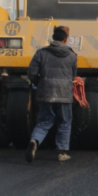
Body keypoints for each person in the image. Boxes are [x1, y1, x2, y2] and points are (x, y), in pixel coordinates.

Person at [26, 26, 78, 163]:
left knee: (44, 121)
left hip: (46, 92)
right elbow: (74, 76)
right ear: (65, 40)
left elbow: (31, 73)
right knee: (65, 122)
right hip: (65, 93)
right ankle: (62, 152)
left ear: (53, 38)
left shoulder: (41, 53)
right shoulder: (72, 55)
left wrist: (40, 83)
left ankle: (35, 141)